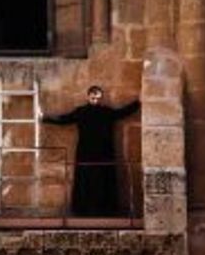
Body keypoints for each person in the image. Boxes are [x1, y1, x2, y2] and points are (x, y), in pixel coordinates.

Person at [40, 85, 140, 217]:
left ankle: (105, 211)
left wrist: (138, 102)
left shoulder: (106, 112)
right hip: (86, 151)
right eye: (93, 98)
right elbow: (64, 119)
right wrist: (44, 118)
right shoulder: (81, 112)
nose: (95, 100)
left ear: (101, 98)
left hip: (104, 152)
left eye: (98, 98)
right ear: (88, 97)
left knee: (103, 179)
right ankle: (84, 211)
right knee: (86, 179)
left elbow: (123, 112)